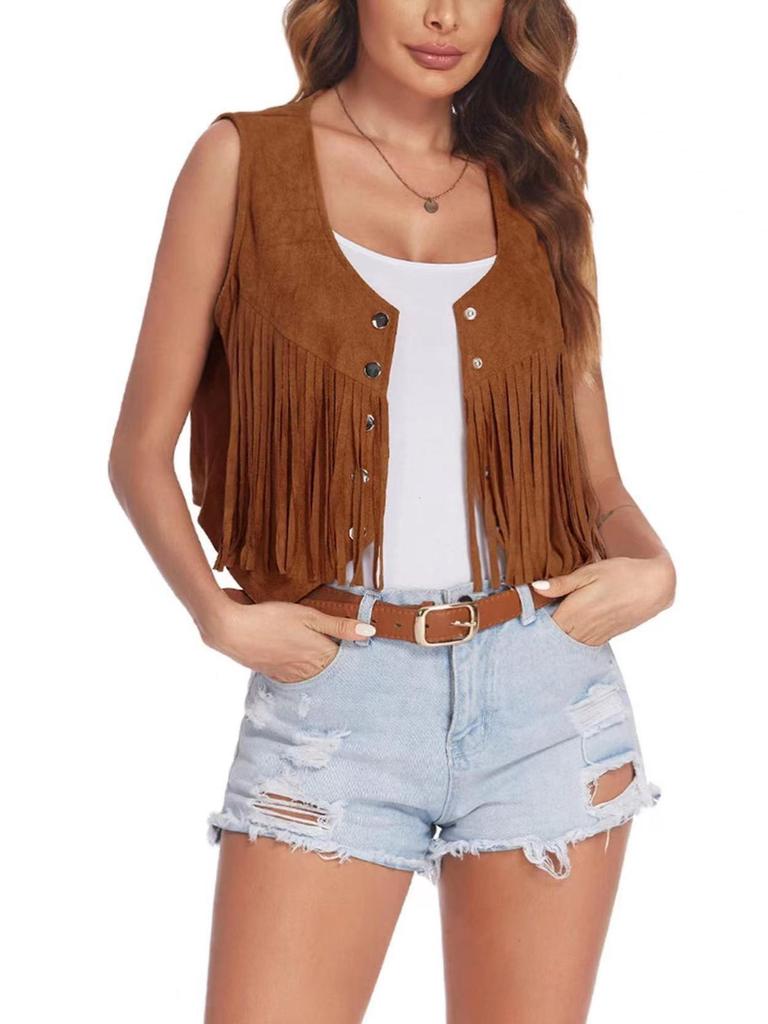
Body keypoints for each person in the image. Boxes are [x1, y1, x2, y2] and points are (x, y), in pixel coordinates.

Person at [108, 1, 676, 1020]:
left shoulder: (541, 187)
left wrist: (654, 569)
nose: (444, 15)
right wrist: (216, 615)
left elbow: (601, 488)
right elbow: (140, 449)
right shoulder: (242, 162)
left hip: (547, 701)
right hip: (335, 698)